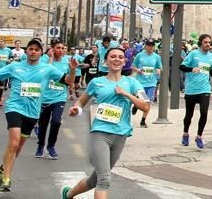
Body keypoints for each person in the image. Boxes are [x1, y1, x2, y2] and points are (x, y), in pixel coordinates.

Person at [0, 38, 75, 191]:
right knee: (13, 143)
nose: (33, 52)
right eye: (31, 49)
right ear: (26, 51)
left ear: (41, 53)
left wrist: (72, 70)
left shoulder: (48, 69)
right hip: (14, 108)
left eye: (36, 50)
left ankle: (2, 168)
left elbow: (68, 81)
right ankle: (6, 178)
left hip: (33, 112)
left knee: (18, 148)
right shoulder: (14, 66)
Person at [62, 45, 151, 199]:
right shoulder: (96, 82)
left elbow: (145, 106)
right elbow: (81, 101)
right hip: (100, 133)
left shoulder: (132, 83)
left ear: (125, 62)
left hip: (121, 134)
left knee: (94, 180)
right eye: (113, 56)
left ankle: (68, 194)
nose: (117, 59)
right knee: (104, 180)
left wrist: (127, 94)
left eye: (120, 57)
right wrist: (77, 109)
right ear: (105, 62)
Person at [33, 39, 75, 160]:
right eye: (58, 48)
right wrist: (50, 59)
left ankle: (51, 146)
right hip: (45, 97)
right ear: (52, 49)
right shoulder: (44, 60)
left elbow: (70, 79)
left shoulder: (66, 62)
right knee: (43, 124)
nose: (61, 50)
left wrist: (71, 87)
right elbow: (45, 73)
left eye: (62, 48)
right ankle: (40, 145)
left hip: (59, 97)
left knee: (56, 121)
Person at [179, 34, 212, 148]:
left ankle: (199, 136)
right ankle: (185, 133)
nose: (208, 44)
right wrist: (192, 69)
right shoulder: (193, 54)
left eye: (209, 42)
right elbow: (182, 67)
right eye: (205, 42)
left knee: (204, 113)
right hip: (191, 89)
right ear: (201, 43)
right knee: (189, 115)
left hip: (204, 88)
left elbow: (210, 69)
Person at [133, 39, 162, 128]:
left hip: (151, 83)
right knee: (142, 100)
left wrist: (158, 70)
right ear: (145, 46)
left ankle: (143, 120)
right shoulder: (139, 55)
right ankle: (136, 105)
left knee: (148, 102)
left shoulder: (157, 57)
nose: (150, 47)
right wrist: (138, 70)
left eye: (152, 45)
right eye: (149, 45)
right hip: (140, 83)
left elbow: (160, 67)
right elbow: (133, 66)